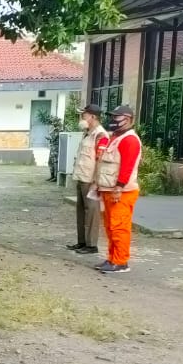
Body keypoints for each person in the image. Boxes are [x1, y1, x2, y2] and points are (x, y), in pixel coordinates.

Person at [95, 105, 142, 274]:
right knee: (110, 227)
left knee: (119, 227)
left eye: (117, 117)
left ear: (128, 119)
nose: (113, 120)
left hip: (122, 191)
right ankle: (112, 258)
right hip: (110, 189)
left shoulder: (130, 140)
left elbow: (127, 167)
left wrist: (119, 187)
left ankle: (121, 261)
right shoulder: (116, 137)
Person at [67, 104, 109, 255]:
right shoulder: (88, 133)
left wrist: (96, 182)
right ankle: (82, 242)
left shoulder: (100, 135)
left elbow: (101, 160)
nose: (82, 117)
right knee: (81, 211)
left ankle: (91, 245)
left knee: (92, 211)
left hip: (91, 180)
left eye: (84, 115)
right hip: (81, 177)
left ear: (93, 117)